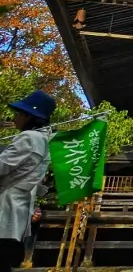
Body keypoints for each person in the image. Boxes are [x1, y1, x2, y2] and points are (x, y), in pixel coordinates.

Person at [0, 91, 54, 272]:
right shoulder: (45, 140)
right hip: (19, 212)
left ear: (29, 116)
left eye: (19, 113)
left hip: (5, 210)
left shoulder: (28, 138)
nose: (15, 118)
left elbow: (3, 166)